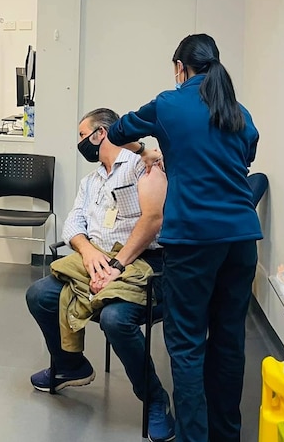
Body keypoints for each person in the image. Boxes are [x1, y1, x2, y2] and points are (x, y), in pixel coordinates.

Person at [107, 34, 261, 442]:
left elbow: (119, 131)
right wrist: (171, 153)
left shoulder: (168, 104)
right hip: (241, 240)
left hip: (193, 242)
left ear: (180, 67)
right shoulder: (239, 112)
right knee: (228, 342)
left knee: (187, 344)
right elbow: (241, 159)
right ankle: (226, 435)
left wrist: (150, 147)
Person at [26, 108, 174, 441]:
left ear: (101, 133)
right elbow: (73, 225)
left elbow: (154, 222)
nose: (79, 143)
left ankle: (154, 399)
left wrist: (117, 265)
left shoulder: (143, 167)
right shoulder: (90, 181)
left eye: (82, 135)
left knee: (115, 319)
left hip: (145, 265)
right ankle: (70, 365)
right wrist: (90, 253)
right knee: (39, 294)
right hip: (99, 261)